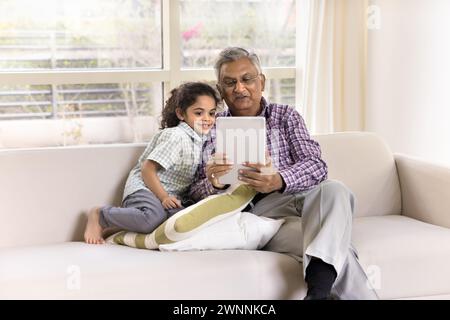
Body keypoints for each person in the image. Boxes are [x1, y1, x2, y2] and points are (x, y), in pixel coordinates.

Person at [188, 47, 378, 300]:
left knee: (335, 189)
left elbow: (316, 165)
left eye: (247, 79)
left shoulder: (286, 116)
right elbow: (193, 191)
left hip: (303, 200)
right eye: (230, 82)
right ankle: (319, 293)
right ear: (220, 89)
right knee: (337, 249)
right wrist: (216, 183)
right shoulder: (210, 127)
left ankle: (317, 294)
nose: (240, 88)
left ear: (261, 82)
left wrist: (279, 180)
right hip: (260, 216)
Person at [84, 82, 220, 244]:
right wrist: (163, 197)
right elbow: (147, 169)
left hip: (167, 197)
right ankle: (100, 215)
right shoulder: (176, 136)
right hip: (145, 188)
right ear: (181, 114)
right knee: (153, 218)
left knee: (180, 222)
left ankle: (122, 225)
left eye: (211, 113)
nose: (207, 119)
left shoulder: (200, 140)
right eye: (199, 113)